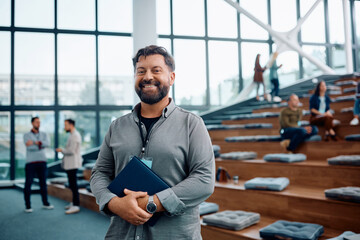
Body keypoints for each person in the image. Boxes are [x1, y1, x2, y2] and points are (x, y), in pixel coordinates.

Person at [90, 45, 215, 239]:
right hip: (122, 234)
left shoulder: (192, 124)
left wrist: (152, 202)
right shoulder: (117, 127)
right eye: (141, 71)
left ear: (171, 77)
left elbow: (204, 180)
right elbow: (99, 174)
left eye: (156, 70)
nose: (147, 77)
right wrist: (115, 204)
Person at [23, 117, 54, 213]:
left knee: (43, 184)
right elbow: (29, 147)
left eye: (39, 122)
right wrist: (40, 144)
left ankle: (45, 203)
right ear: (32, 123)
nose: (38, 124)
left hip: (42, 162)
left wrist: (34, 142)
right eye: (37, 122)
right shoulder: (26, 135)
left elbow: (47, 143)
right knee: (28, 183)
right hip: (31, 163)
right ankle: (28, 206)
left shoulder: (44, 134)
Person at [56, 119, 82, 214]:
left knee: (73, 185)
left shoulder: (75, 136)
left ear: (71, 125)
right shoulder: (72, 135)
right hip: (70, 164)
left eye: (65, 125)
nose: (64, 127)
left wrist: (61, 150)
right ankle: (74, 203)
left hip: (73, 164)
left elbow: (71, 151)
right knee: (72, 184)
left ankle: (76, 205)